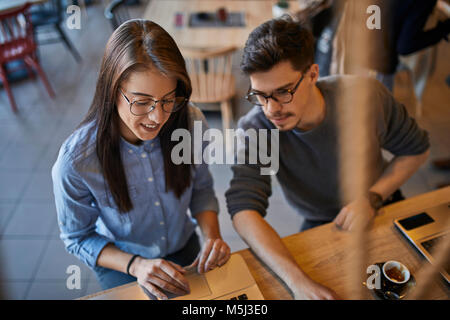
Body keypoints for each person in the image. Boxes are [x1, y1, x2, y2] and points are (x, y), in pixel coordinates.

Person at [225, 16, 430, 300]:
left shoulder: (365, 96)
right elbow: (243, 209)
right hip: (319, 222)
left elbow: (416, 149)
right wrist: (298, 283)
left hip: (382, 202)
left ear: (312, 74)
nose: (271, 109)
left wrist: (372, 197)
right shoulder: (256, 127)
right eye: (260, 95)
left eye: (283, 92)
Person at [52, 20, 230, 300]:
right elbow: (77, 238)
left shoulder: (190, 122)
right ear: (113, 90)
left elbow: (202, 189)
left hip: (184, 245)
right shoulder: (76, 160)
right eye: (142, 101)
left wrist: (212, 237)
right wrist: (137, 265)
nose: (158, 117)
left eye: (168, 99)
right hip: (123, 261)